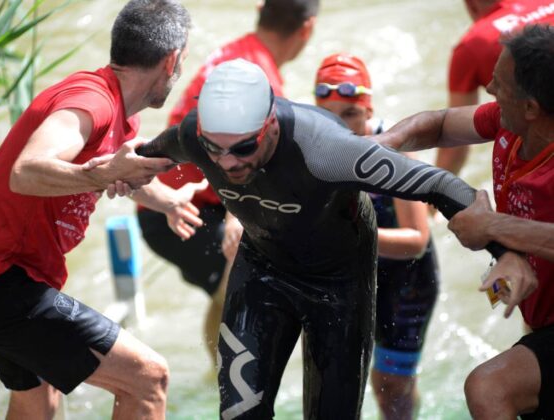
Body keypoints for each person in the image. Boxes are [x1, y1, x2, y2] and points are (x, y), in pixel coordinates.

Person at [96, 58, 529, 419]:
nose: (227, 164)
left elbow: (443, 186)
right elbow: (137, 158)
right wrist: (111, 171)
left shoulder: (328, 150)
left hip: (338, 287)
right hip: (263, 271)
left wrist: (505, 252)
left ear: (270, 125)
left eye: (243, 149)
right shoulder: (193, 136)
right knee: (238, 413)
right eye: (214, 149)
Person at [0, 1, 192, 419]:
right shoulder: (91, 102)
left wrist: (167, 201)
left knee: (39, 400)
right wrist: (102, 175)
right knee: (148, 379)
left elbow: (115, 169)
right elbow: (26, 172)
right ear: (172, 60)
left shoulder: (121, 116)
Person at [376, 23, 553, 419]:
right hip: (542, 318)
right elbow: (440, 124)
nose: (488, 88)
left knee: (489, 387)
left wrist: (491, 226)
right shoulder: (510, 123)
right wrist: (382, 145)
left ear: (531, 108)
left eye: (499, 85)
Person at [136, 0, 319, 364]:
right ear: (307, 28)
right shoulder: (262, 81)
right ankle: (229, 378)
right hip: (175, 207)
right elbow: (247, 165)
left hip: (180, 198)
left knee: (230, 290)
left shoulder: (241, 55)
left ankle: (217, 375)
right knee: (246, 288)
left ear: (260, 9)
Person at [314, 53, 438, 419]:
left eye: (351, 113)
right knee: (336, 379)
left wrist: (350, 237)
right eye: (329, 114)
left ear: (369, 111)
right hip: (353, 279)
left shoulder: (393, 157)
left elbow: (417, 239)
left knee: (391, 388)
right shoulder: (311, 150)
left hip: (406, 282)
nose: (341, 125)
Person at [437, 0, 554, 176]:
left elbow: (455, 145)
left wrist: (430, 190)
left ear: (470, 5)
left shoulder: (471, 46)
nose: (490, 88)